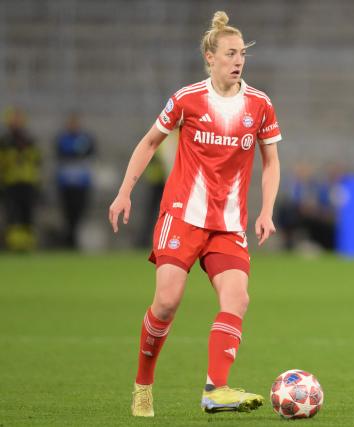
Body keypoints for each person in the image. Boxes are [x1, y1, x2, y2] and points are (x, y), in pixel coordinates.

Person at [108, 11, 282, 417]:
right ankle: (143, 386)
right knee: (167, 302)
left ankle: (214, 389)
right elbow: (151, 142)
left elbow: (271, 161)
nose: (238, 61)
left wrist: (266, 210)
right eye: (230, 53)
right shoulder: (187, 98)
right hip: (183, 216)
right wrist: (124, 192)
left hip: (228, 224)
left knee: (237, 299)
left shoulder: (259, 105)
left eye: (242, 54)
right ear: (210, 57)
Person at [0, 107, 41, 251]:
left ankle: (28, 244)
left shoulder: (29, 140)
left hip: (28, 182)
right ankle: (14, 245)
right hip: (11, 182)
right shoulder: (5, 141)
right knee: (12, 215)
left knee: (27, 215)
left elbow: (37, 160)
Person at [54, 113, 96, 248]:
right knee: (68, 212)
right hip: (66, 182)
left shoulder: (85, 138)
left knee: (80, 211)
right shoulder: (63, 139)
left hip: (81, 182)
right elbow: (62, 153)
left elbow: (90, 152)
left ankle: (72, 239)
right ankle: (69, 240)